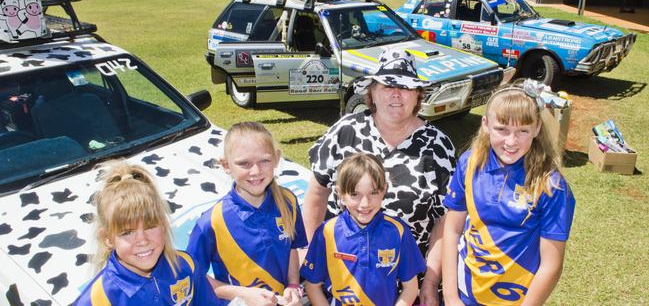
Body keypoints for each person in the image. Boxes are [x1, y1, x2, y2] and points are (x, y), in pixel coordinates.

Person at [303, 48, 456, 305]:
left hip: (408, 285)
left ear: (418, 95)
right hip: (343, 279)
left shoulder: (438, 146)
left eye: (406, 87)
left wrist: (429, 282)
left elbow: (444, 222)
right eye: (387, 85)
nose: (396, 94)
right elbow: (316, 195)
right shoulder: (345, 131)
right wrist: (311, 253)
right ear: (372, 92)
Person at [441, 79, 576, 306]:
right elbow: (452, 230)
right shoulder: (469, 164)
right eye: (502, 129)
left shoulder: (551, 186)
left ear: (537, 129)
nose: (511, 142)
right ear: (485, 124)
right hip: (464, 294)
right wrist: (451, 296)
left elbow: (551, 264)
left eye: (523, 131)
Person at [186, 122, 307, 306]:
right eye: (244, 163)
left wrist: (293, 284)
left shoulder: (288, 201)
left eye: (264, 160)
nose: (256, 171)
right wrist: (242, 294)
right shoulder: (211, 222)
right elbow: (193, 278)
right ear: (226, 165)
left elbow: (292, 248)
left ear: (276, 159)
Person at [75, 161, 218, 305]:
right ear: (107, 238)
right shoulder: (97, 299)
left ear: (163, 225)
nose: (142, 240)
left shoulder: (186, 265)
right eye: (127, 232)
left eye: (150, 226)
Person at [301, 153, 426, 306]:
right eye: (355, 194)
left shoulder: (398, 231)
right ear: (341, 194)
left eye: (373, 193)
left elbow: (411, 289)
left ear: (384, 189)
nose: (365, 203)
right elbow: (312, 286)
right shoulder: (327, 232)